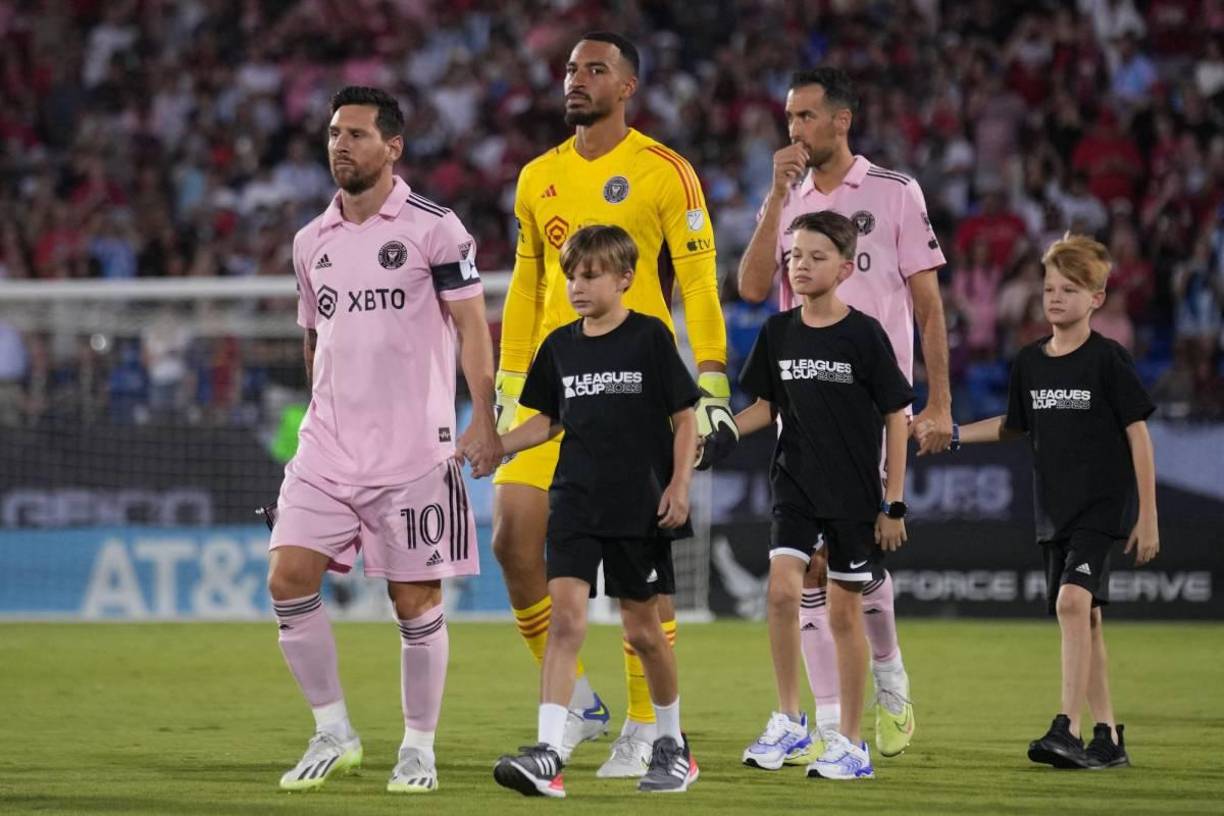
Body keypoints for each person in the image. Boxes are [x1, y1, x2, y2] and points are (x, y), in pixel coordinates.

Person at [494, 31, 730, 776]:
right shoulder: (538, 176)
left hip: (636, 392)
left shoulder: (666, 172)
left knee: (642, 586)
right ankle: (583, 707)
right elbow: (527, 286)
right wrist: (507, 386)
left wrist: (713, 378)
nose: (577, 79)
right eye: (570, 68)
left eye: (595, 69)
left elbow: (698, 282)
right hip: (556, 386)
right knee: (510, 539)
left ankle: (644, 727)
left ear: (628, 86)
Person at [266, 86, 500, 794]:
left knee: (416, 605)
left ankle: (418, 749)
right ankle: (333, 731)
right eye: (335, 132)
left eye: (358, 134)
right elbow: (315, 339)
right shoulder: (312, 242)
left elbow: (472, 329)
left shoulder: (436, 229)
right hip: (328, 449)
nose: (341, 144)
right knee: (286, 579)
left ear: (392, 148)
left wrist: (482, 418)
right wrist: (325, 407)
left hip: (414, 455)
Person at [735, 66, 949, 761]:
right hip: (801, 400)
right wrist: (774, 197)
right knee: (807, 572)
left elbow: (928, 306)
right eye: (788, 118)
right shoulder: (789, 200)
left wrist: (938, 401)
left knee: (846, 572)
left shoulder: (893, 192)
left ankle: (888, 679)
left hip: (867, 406)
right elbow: (752, 285)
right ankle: (828, 722)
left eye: (804, 117)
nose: (792, 130)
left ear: (840, 121)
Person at [920, 234, 1158, 769]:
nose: (1055, 298)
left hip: (1102, 506)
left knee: (1071, 604)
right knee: (1086, 617)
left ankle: (1066, 728)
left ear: (1096, 298)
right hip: (1055, 508)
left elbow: (1138, 433)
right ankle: (1108, 739)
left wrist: (1148, 513)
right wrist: (953, 433)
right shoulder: (1031, 362)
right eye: (1049, 288)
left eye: (1069, 289)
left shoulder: (1109, 360)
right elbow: (1013, 427)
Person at [486, 225, 701, 797]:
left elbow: (684, 419)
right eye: (571, 276)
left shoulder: (651, 338)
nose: (578, 287)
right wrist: (495, 445)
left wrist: (680, 486)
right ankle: (549, 754)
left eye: (590, 275)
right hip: (575, 500)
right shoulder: (559, 345)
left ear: (625, 278)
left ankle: (673, 746)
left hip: (640, 505)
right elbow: (546, 420)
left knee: (644, 631)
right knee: (567, 623)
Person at [706, 211, 914, 780]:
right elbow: (764, 409)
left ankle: (850, 743)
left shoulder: (865, 333)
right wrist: (716, 432)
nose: (801, 265)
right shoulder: (778, 331)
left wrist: (892, 502)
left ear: (845, 268)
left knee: (845, 614)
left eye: (816, 257)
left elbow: (897, 414)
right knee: (781, 594)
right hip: (793, 484)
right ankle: (791, 721)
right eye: (795, 255)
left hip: (852, 493)